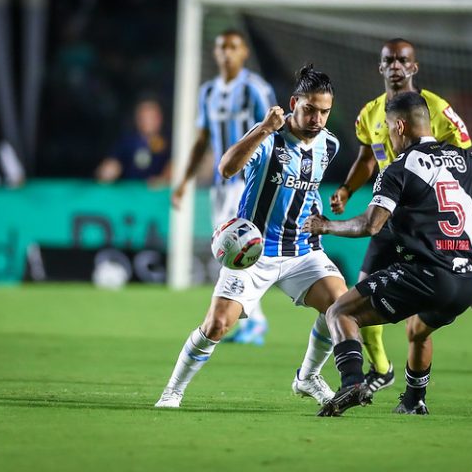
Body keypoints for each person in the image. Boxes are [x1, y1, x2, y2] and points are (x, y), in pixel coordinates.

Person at [329, 38, 472, 400]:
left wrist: (455, 219)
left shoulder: (438, 109)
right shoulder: (370, 112)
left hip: (429, 219)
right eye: (389, 60)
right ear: (380, 67)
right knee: (362, 290)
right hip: (388, 213)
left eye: (403, 60)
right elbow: (368, 158)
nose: (396, 66)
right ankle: (381, 370)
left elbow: (461, 164)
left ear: (414, 67)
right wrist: (348, 190)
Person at [305, 91, 472, 416]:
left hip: (428, 275)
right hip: (467, 281)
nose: (386, 135)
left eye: (387, 128)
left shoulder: (400, 167)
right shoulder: (466, 158)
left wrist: (327, 226)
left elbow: (371, 225)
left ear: (399, 126)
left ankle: (352, 382)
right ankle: (414, 400)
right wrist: (455, 232)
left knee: (340, 312)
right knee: (418, 330)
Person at [155, 65, 346, 409]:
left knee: (340, 307)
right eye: (310, 109)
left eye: (324, 111)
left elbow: (307, 189)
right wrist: (261, 129)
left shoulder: (329, 145)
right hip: (253, 252)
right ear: (293, 103)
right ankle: (173, 391)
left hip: (302, 251)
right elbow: (226, 168)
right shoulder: (269, 139)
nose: (317, 118)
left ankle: (307, 377)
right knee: (216, 325)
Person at [171, 29, 276, 345]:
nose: (227, 53)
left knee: (236, 249)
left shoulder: (255, 89)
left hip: (249, 182)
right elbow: (202, 140)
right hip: (221, 183)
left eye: (233, 47)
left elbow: (273, 129)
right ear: (215, 53)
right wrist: (184, 181)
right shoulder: (207, 92)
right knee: (231, 251)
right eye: (221, 48)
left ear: (244, 52)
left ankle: (253, 320)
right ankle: (248, 319)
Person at [96, 98, 171, 185]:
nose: (148, 121)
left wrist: (164, 178)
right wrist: (106, 172)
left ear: (160, 119)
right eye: (144, 117)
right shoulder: (127, 142)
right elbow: (112, 163)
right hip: (130, 194)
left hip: (157, 194)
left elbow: (174, 166)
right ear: (138, 119)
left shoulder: (169, 142)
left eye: (152, 117)